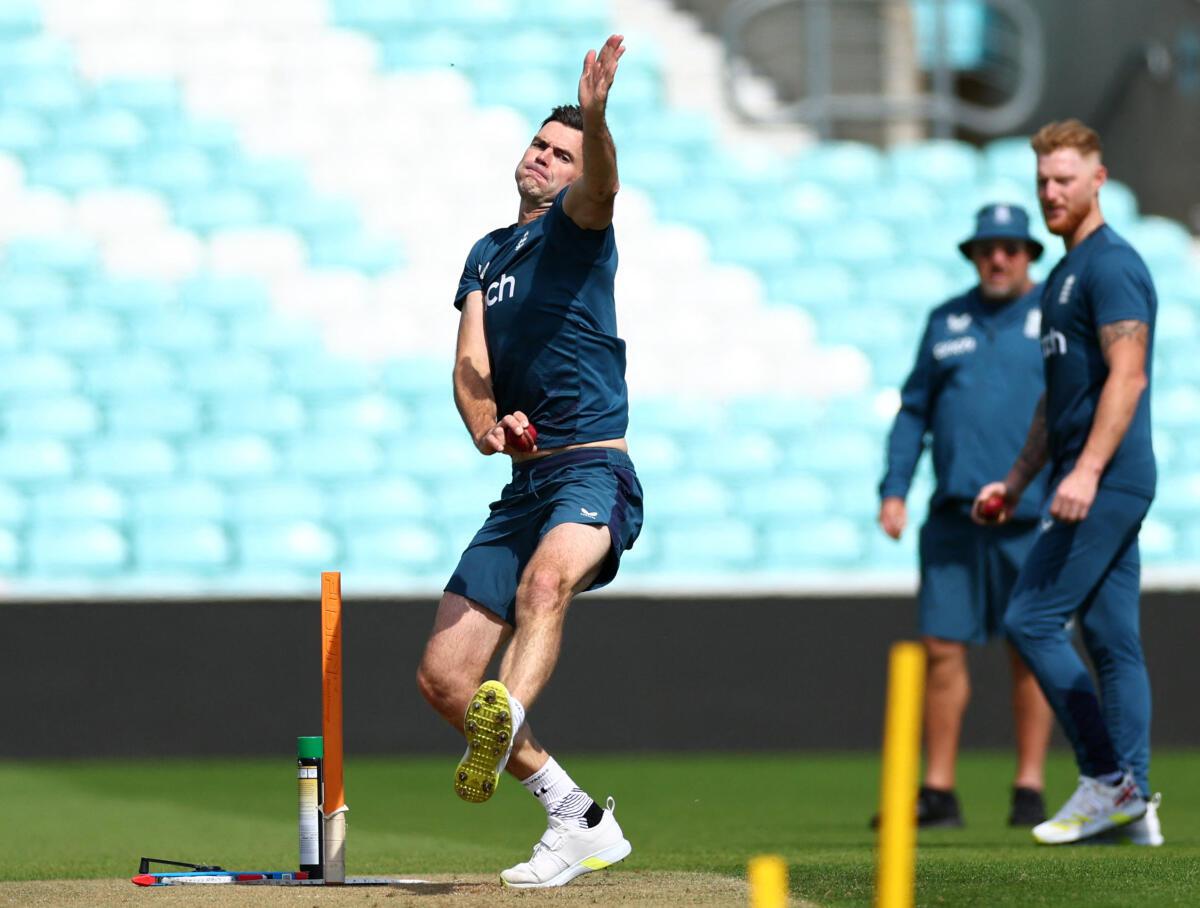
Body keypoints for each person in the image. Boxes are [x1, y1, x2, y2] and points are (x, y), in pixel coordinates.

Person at [415, 36, 644, 888]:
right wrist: (488, 429)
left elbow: (605, 184)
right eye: (540, 145)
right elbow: (469, 369)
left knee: (542, 588)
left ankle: (502, 711)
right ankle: (576, 817)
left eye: (562, 152)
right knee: (443, 678)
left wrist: (599, 119)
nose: (543, 160)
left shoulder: (578, 230)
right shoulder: (483, 254)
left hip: (592, 471)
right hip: (525, 482)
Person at [972, 118, 1161, 846]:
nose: (1052, 192)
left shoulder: (1111, 264)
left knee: (1031, 620)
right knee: (1111, 636)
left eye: (1065, 179)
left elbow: (1129, 374)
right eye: (1043, 181)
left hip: (1106, 477)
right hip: (1088, 474)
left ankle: (1107, 780)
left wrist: (1083, 471)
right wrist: (1019, 480)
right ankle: (1133, 804)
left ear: (1098, 178)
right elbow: (1061, 397)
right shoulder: (1061, 276)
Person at [876, 203, 1055, 829]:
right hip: (954, 514)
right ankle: (938, 790)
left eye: (1010, 247)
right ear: (973, 256)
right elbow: (914, 410)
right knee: (941, 648)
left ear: (1030, 253)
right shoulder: (946, 319)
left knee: (1030, 648)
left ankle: (1029, 786)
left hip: (1031, 515)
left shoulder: (1053, 316)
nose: (998, 258)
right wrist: (894, 487)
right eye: (987, 249)